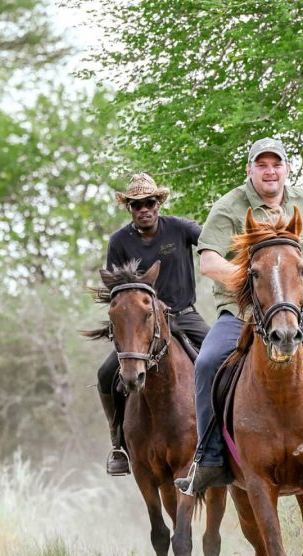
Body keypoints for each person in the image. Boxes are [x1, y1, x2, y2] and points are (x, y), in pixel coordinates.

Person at [182, 137, 303, 492]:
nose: (270, 171)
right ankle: (209, 458)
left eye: (277, 164)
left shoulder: (302, 200)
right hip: (241, 313)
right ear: (250, 170)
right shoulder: (229, 206)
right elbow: (209, 260)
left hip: (296, 312)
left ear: (286, 169)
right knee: (208, 363)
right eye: (262, 165)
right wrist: (252, 279)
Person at [97, 173, 210, 475]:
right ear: (129, 209)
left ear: (158, 203)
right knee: (107, 372)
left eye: (149, 202)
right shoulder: (119, 241)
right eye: (136, 205)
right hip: (141, 324)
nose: (144, 209)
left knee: (222, 358)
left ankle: (227, 434)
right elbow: (116, 291)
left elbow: (213, 242)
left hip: (183, 315)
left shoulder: (181, 229)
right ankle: (118, 445)